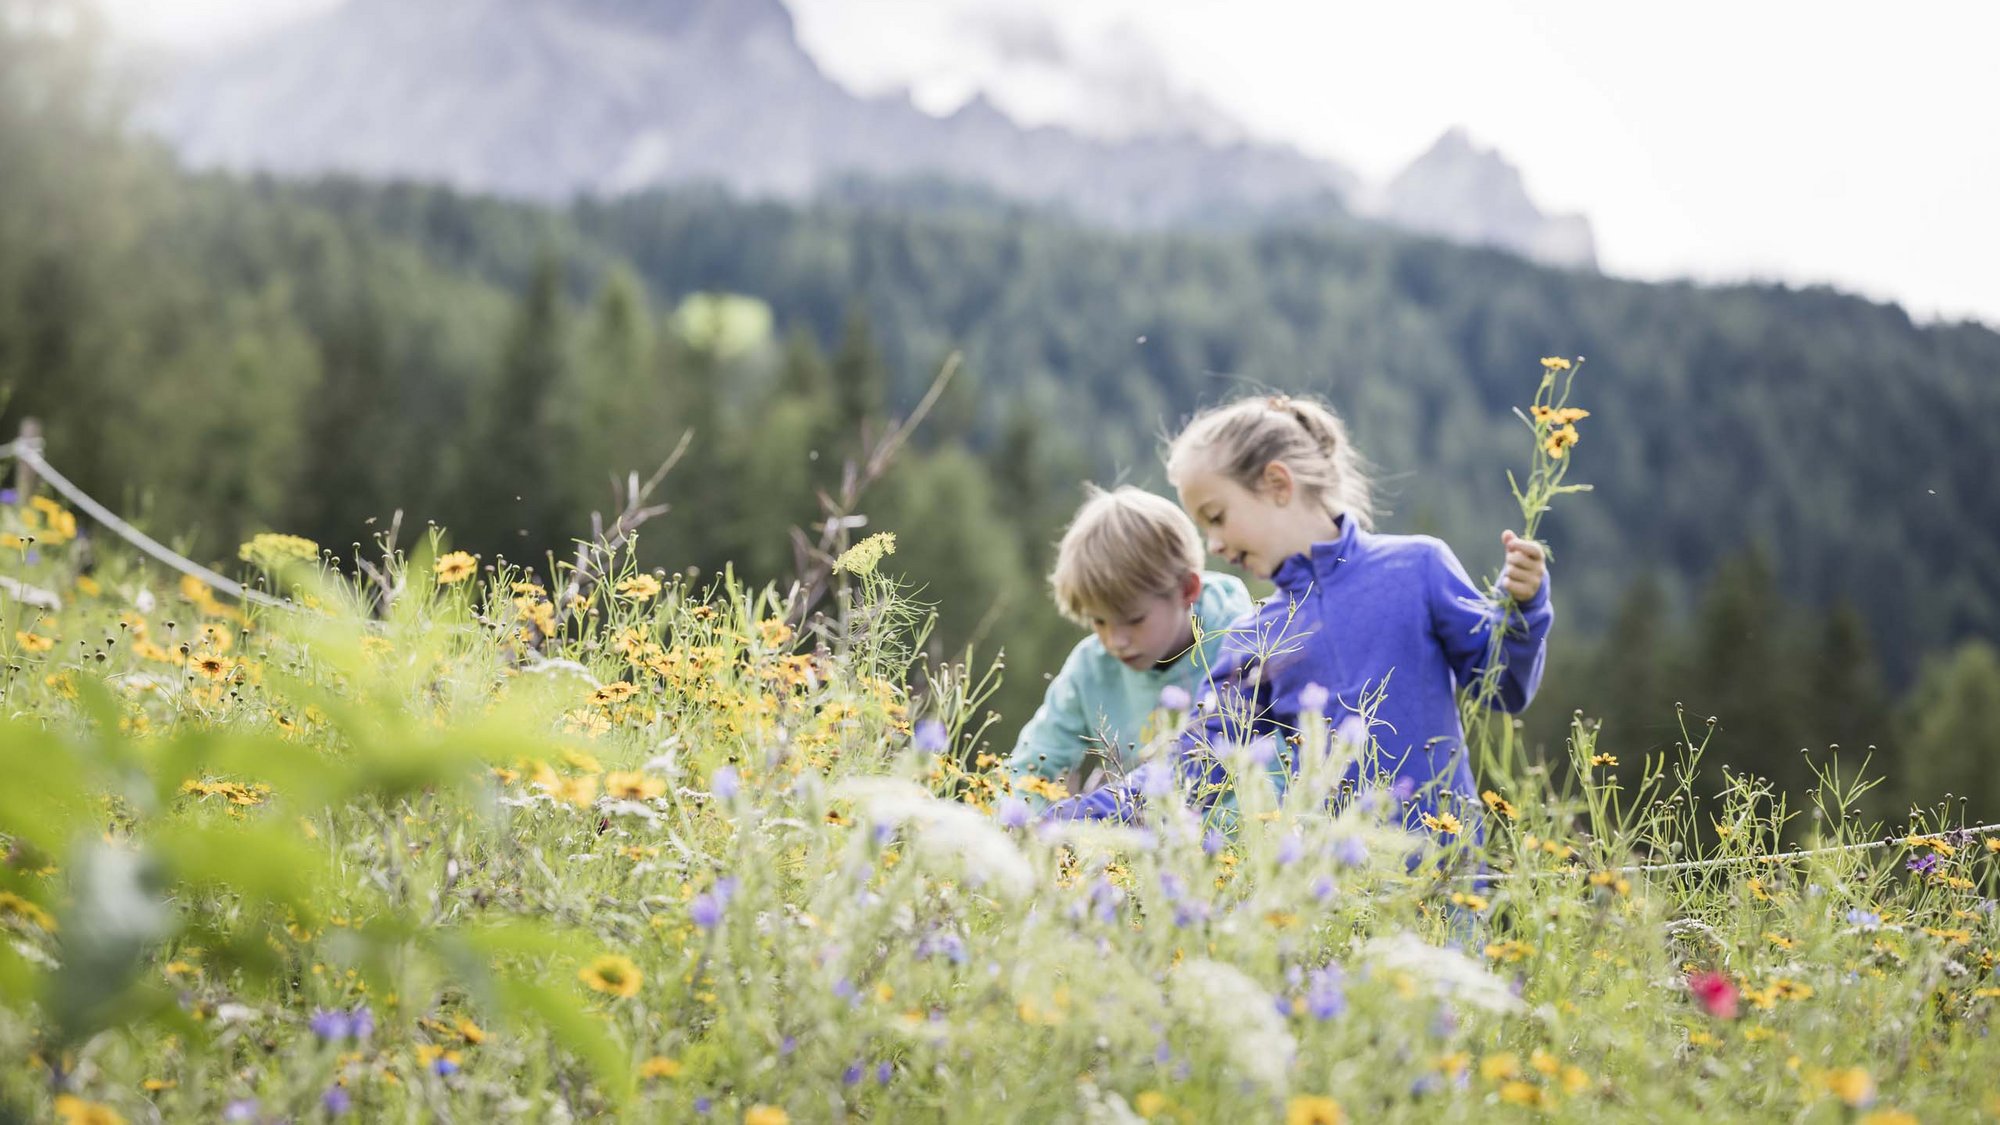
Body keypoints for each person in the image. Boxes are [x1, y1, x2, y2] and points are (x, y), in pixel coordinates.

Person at [1044, 394, 1551, 838]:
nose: (1213, 545)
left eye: (1217, 517)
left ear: (1278, 484)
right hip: (1335, 898)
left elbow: (1503, 686)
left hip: (1448, 882)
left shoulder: (1417, 569)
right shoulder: (1255, 640)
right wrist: (1062, 821)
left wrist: (1523, 607)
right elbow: (1190, 772)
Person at [1005, 485, 1252, 803]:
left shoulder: (1241, 647)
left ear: (1186, 591)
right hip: (1128, 833)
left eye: (1134, 620)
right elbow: (1035, 761)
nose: (1115, 641)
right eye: (1099, 621)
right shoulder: (1090, 668)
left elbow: (1266, 775)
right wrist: (1021, 828)